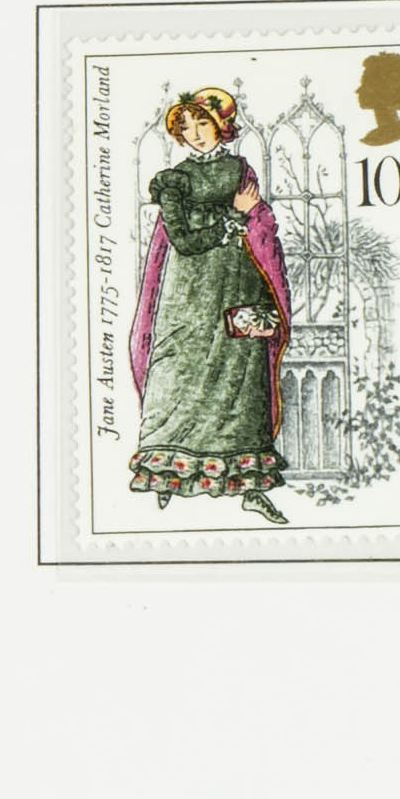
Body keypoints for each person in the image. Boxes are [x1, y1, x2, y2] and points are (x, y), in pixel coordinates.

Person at [121, 85, 290, 518]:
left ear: (221, 126)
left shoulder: (239, 169)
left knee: (241, 379)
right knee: (177, 373)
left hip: (238, 285)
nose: (195, 133)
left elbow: (261, 220)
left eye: (203, 123)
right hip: (188, 293)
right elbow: (184, 241)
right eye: (187, 126)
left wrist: (250, 218)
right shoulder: (173, 180)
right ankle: (166, 476)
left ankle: (251, 487)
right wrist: (234, 217)